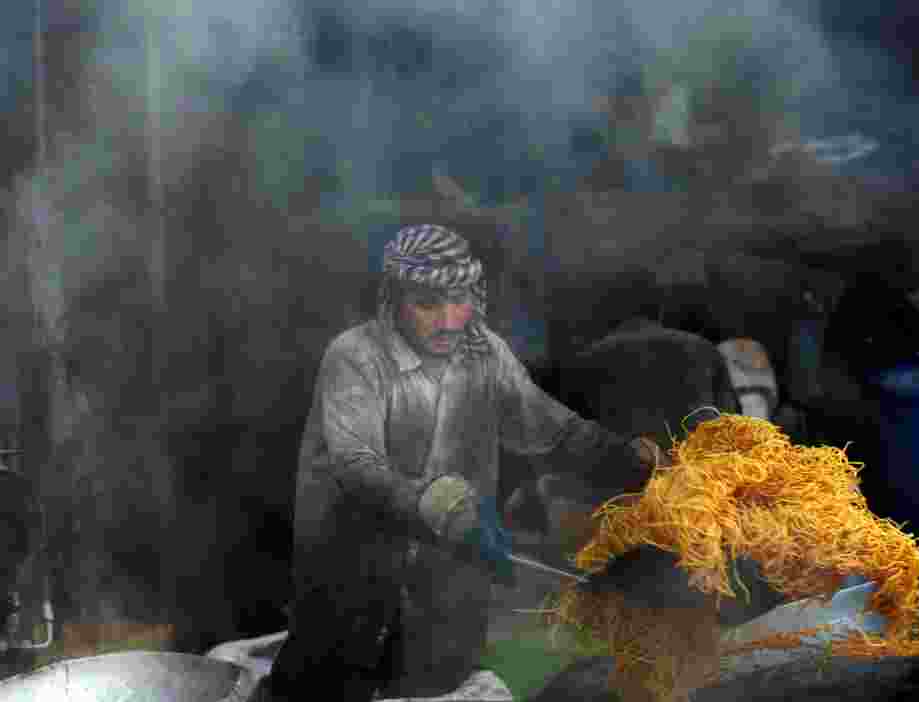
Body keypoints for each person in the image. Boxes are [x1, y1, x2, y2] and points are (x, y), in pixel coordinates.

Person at [264, 224, 659, 701]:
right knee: (326, 676)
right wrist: (435, 503)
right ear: (392, 300)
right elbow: (355, 465)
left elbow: (550, 427)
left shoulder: (484, 353)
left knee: (438, 678)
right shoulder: (356, 357)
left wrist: (628, 461)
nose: (449, 321)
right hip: (350, 565)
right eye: (428, 304)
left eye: (459, 300)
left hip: (444, 580)